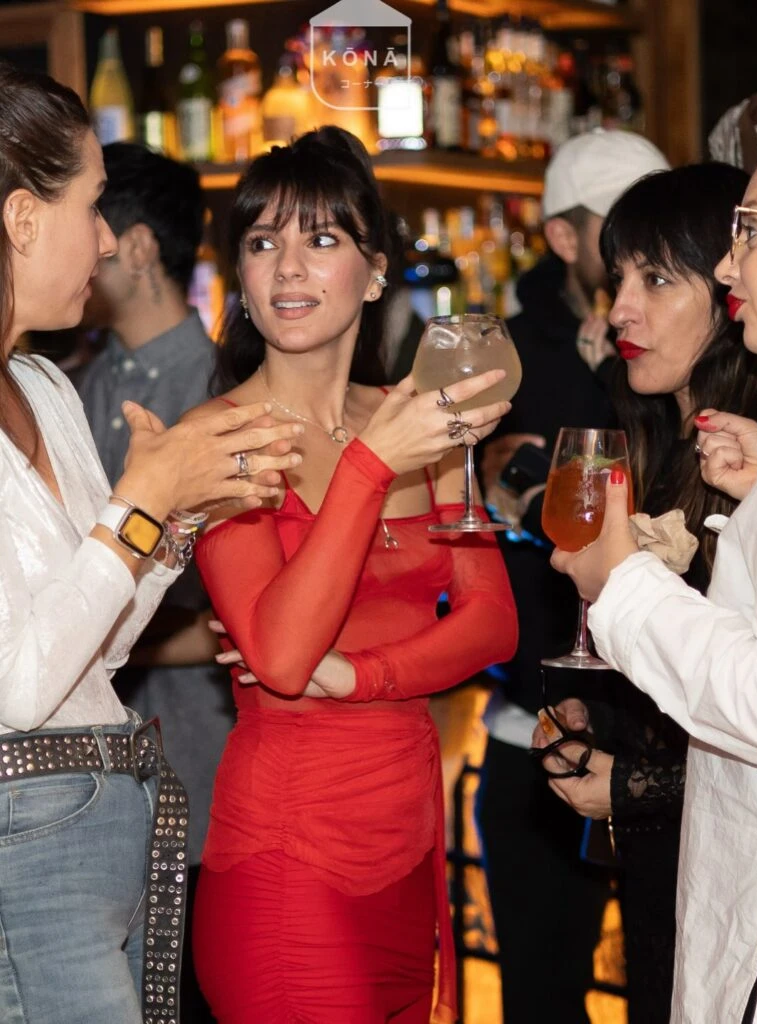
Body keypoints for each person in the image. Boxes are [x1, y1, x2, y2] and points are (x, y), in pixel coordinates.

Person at [184, 125, 518, 1024]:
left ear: (374, 273)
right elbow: (284, 656)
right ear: (240, 277)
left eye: (321, 239)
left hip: (410, 855)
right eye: (263, 244)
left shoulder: (418, 421)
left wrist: (363, 675)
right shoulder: (219, 440)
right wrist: (372, 466)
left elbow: (493, 623)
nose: (288, 268)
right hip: (289, 863)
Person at [0, 62, 304, 1024]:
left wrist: (177, 518)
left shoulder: (45, 385)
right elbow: (17, 686)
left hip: (105, 809)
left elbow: (99, 645)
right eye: (90, 206)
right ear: (22, 219)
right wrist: (142, 500)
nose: (104, 239)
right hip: (23, 832)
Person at [531, 162, 757, 1023]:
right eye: (618, 277)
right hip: (686, 870)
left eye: (657, 279)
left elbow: (753, 696)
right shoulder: (671, 443)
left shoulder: (745, 451)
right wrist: (598, 714)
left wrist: (634, 783)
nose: (622, 308)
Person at [476, 128, 669, 1024]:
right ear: (562, 236)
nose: (643, 244)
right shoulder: (503, 358)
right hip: (537, 732)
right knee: (543, 1001)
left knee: (667, 990)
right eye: (621, 223)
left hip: (665, 743)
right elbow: (493, 504)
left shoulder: (681, 349)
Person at [75, 141, 232, 1021]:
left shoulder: (218, 392)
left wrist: (86, 643)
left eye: (94, 225)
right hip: (86, 780)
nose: (87, 249)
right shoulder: (72, 384)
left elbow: (240, 613)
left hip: (193, 763)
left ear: (136, 247)